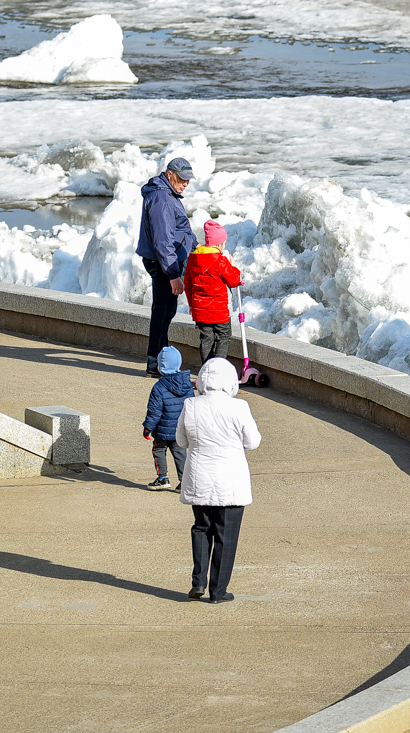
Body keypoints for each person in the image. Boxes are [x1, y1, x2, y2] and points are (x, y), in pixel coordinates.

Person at [176, 358, 261, 603]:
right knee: (227, 536)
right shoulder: (239, 407)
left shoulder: (190, 404)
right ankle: (218, 591)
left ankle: (199, 582)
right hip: (230, 481)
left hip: (199, 477)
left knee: (201, 529)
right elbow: (252, 442)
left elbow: (181, 441)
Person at [136, 157, 198, 377]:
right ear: (170, 174)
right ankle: (156, 365)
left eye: (188, 180)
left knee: (166, 311)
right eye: (182, 179)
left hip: (167, 261)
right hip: (164, 263)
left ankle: (160, 362)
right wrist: (173, 275)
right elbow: (163, 241)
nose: (185, 184)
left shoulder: (167, 193)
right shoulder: (162, 198)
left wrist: (197, 249)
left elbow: (180, 230)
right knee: (163, 312)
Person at [183, 219, 242, 363]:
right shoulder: (220, 261)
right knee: (223, 337)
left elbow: (188, 284)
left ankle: (207, 369)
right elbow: (234, 281)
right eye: (224, 243)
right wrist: (233, 265)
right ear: (219, 244)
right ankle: (218, 368)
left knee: (206, 340)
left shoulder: (193, 258)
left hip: (200, 310)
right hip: (219, 311)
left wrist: (192, 304)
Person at [142, 346, 194, 491]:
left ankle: (162, 478)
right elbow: (191, 407)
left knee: (159, 450)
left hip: (162, 430)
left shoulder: (159, 387)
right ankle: (184, 481)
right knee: (180, 453)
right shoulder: (187, 385)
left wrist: (148, 428)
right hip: (180, 428)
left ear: (160, 367)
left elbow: (154, 412)